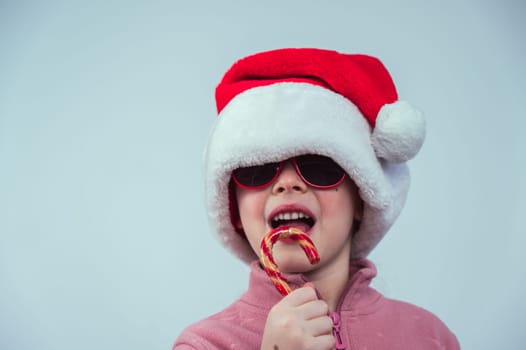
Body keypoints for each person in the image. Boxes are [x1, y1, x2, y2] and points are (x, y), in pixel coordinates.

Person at [173, 48, 460, 349]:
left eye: (318, 166)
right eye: (257, 170)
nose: (287, 183)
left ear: (362, 197)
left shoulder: (429, 338)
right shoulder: (204, 344)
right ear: (235, 207)